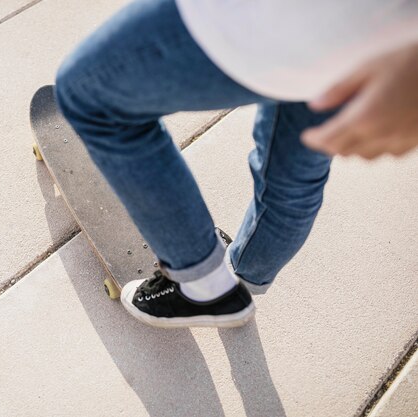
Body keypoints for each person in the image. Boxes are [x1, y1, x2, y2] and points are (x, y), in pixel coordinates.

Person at [54, 0, 418, 328]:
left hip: (272, 20)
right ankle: (243, 277)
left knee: (89, 94)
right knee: (291, 169)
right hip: (363, 36)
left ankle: (202, 285)